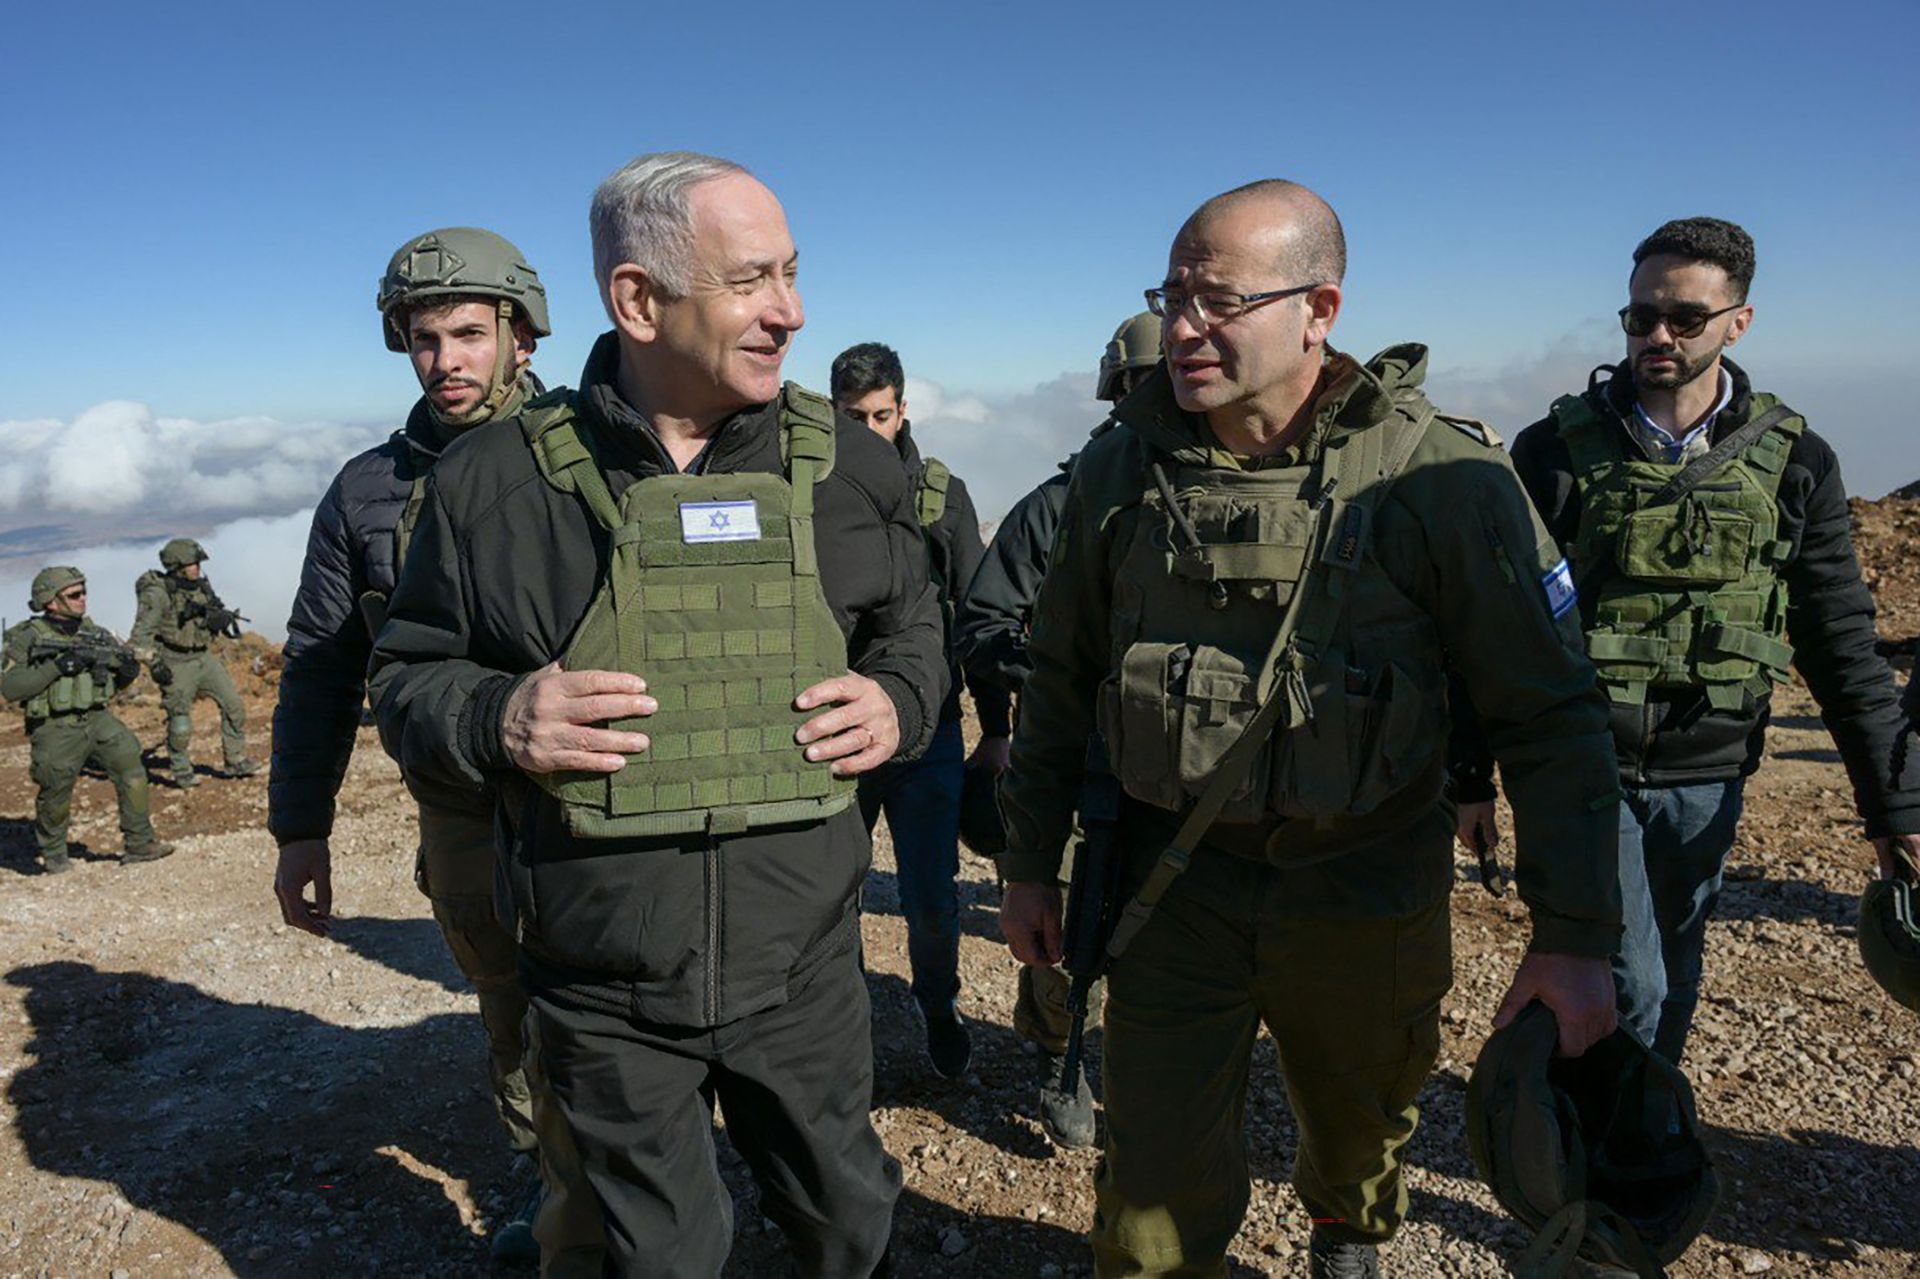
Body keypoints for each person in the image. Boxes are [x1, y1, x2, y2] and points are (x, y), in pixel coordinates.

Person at [995, 179, 1623, 1278]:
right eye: (1171, 294)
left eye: (1217, 300)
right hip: (1169, 886)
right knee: (1148, 1199)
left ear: (1318, 308)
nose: (1183, 327)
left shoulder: (1446, 480)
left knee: (1363, 1120)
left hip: (1365, 880)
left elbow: (1551, 714)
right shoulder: (1119, 471)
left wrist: (1574, 936)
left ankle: (1348, 1236)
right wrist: (1030, 862)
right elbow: (1058, 679)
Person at [367, 151, 944, 1277]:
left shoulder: (851, 471)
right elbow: (406, 674)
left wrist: (901, 698)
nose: (792, 310)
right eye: (752, 280)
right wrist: (498, 716)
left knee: (847, 1227)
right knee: (660, 1254)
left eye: (792, 271)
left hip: (806, 965)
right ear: (638, 300)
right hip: (601, 979)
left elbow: (914, 624)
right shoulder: (492, 486)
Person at [1451, 217, 1920, 1064]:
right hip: (1579, 759)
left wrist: (1895, 805)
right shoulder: (1554, 451)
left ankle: (1638, 1127)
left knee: (1675, 960)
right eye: (1639, 317)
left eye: (1684, 318)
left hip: (1712, 765)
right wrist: (1467, 771)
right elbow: (1495, 626)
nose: (1656, 335)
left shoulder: (1795, 461)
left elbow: (1840, 637)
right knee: (1629, 978)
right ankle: (1590, 1163)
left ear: (1739, 321)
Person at [268, 227, 599, 1271]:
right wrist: (300, 828)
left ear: (521, 336)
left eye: (468, 331)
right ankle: (563, 1205)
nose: (447, 359)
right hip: (461, 808)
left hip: (600, 796)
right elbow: (322, 667)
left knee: (617, 1016)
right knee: (509, 1013)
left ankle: (621, 1216)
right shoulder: (366, 491)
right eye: (424, 338)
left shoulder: (596, 453)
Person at [952, 309, 1160, 1146]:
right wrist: (1055, 679)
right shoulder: (1061, 502)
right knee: (1073, 913)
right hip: (1082, 757)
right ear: (1118, 393)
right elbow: (984, 621)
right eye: (1143, 386)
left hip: (1190, 764)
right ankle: (1056, 1052)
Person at [830, 340, 1011, 1079]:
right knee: (828, 900)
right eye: (852, 418)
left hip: (927, 732)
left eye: (880, 415)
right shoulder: (812, 493)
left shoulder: (941, 496)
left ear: (903, 409)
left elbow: (977, 615)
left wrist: (996, 729)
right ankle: (839, 1032)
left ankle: (939, 1007)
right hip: (834, 731)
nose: (869, 431)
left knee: (932, 901)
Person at [3, 567, 173, 872]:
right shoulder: (28, 637)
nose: (83, 599)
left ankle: (140, 844)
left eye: (83, 592)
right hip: (55, 727)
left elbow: (113, 684)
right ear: (50, 601)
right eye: (74, 595)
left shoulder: (94, 632)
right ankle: (54, 855)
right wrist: (57, 667)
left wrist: (127, 670)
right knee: (55, 790)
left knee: (131, 767)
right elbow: (11, 688)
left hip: (98, 718)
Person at [130, 538, 258, 787]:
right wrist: (155, 663)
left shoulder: (199, 587)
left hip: (202, 656)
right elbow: (139, 638)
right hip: (175, 660)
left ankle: (236, 760)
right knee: (180, 721)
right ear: (178, 566)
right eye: (192, 563)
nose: (197, 567)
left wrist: (217, 620)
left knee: (234, 706)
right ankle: (181, 769)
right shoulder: (158, 595)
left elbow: (212, 610)